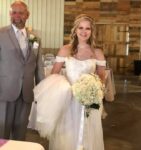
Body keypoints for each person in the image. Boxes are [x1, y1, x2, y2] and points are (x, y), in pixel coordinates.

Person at [32, 14, 106, 150]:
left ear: (92, 31)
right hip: (69, 100)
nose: (84, 32)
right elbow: (54, 74)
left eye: (87, 29)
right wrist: (64, 88)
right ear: (75, 30)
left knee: (88, 134)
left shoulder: (97, 52)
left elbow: (102, 76)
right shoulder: (66, 50)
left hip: (90, 101)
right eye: (81, 28)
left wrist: (94, 88)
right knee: (67, 134)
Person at [0, 1, 44, 140]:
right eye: (14, 12)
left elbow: (38, 66)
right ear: (9, 14)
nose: (17, 16)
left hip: (26, 92)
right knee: (2, 132)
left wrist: (42, 90)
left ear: (27, 15)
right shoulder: (1, 34)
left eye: (21, 12)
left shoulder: (35, 37)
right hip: (5, 91)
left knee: (21, 132)